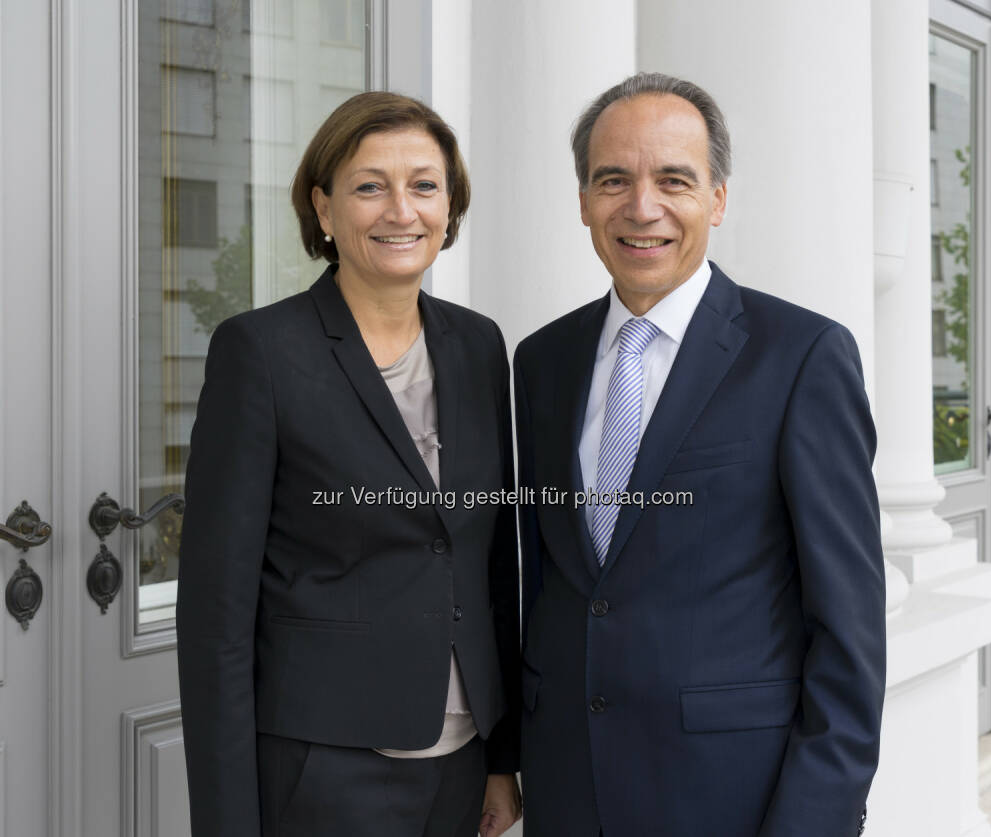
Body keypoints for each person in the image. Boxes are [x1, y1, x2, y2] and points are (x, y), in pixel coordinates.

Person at [513, 72, 885, 837]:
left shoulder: (802, 356)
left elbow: (849, 629)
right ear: (583, 200)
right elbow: (546, 579)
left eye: (673, 180)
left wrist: (815, 820)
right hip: (569, 790)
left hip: (733, 799)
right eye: (612, 179)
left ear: (717, 199)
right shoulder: (540, 361)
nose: (641, 207)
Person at [177, 91, 521, 837]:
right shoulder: (262, 353)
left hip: (461, 761)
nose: (402, 210)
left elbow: (490, 558)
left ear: (450, 206)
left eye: (424, 185)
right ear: (324, 209)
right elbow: (216, 615)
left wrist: (502, 752)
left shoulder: (479, 345)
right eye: (370, 186)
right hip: (326, 766)